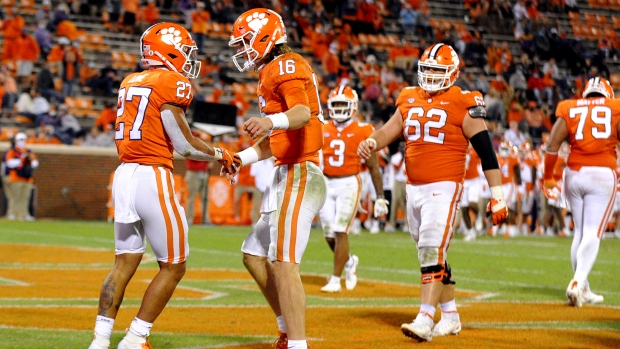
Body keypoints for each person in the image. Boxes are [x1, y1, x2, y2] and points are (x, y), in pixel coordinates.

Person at [87, 22, 234, 349]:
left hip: (124, 175)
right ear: (168, 51)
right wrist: (222, 153)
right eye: (184, 52)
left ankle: (99, 340)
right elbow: (184, 144)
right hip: (152, 176)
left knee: (123, 263)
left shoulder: (130, 80)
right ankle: (136, 337)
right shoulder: (172, 81)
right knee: (174, 266)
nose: (188, 59)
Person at [358, 43, 508, 342]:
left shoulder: (463, 101)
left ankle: (425, 317)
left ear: (452, 73)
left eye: (437, 71)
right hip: (414, 188)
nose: (430, 76)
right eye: (426, 70)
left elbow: (486, 152)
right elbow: (390, 129)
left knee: (430, 248)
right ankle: (450, 315)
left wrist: (498, 194)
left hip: (445, 186)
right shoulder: (408, 96)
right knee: (432, 254)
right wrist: (373, 142)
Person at [220, 9, 327, 349]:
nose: (242, 50)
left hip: (301, 171)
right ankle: (286, 328)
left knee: (283, 263)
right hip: (286, 171)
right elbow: (275, 139)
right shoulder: (270, 71)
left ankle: (297, 344)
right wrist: (242, 158)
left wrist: (270, 121)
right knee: (253, 253)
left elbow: (300, 114)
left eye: (245, 42)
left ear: (266, 36)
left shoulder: (285, 64)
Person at [543, 77, 619, 307]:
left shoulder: (570, 107)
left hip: (574, 175)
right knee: (592, 233)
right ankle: (577, 281)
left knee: (579, 233)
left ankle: (583, 288)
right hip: (602, 174)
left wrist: (548, 177)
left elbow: (552, 145)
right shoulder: (615, 107)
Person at [319, 85, 388, 293]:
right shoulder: (322, 128)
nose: (339, 108)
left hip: (349, 182)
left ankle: (335, 279)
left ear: (353, 106)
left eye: (343, 104)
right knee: (329, 234)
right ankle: (349, 261)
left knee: (341, 229)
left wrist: (380, 197)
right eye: (336, 104)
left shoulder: (364, 130)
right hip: (325, 183)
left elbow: (374, 167)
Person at [4, 132, 38, 221]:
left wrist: (28, 160)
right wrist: (21, 160)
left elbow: (35, 163)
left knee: (25, 198)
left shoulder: (29, 151)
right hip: (16, 177)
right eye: (20, 140)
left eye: (23, 140)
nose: (22, 142)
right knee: (15, 197)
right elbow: (9, 163)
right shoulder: (13, 151)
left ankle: (24, 214)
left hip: (27, 178)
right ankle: (12, 214)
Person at [185, 141, 210, 225]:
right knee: (192, 196)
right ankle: (189, 218)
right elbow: (193, 156)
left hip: (204, 172)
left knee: (205, 197)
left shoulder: (203, 145)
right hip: (193, 172)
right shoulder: (188, 146)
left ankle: (205, 219)